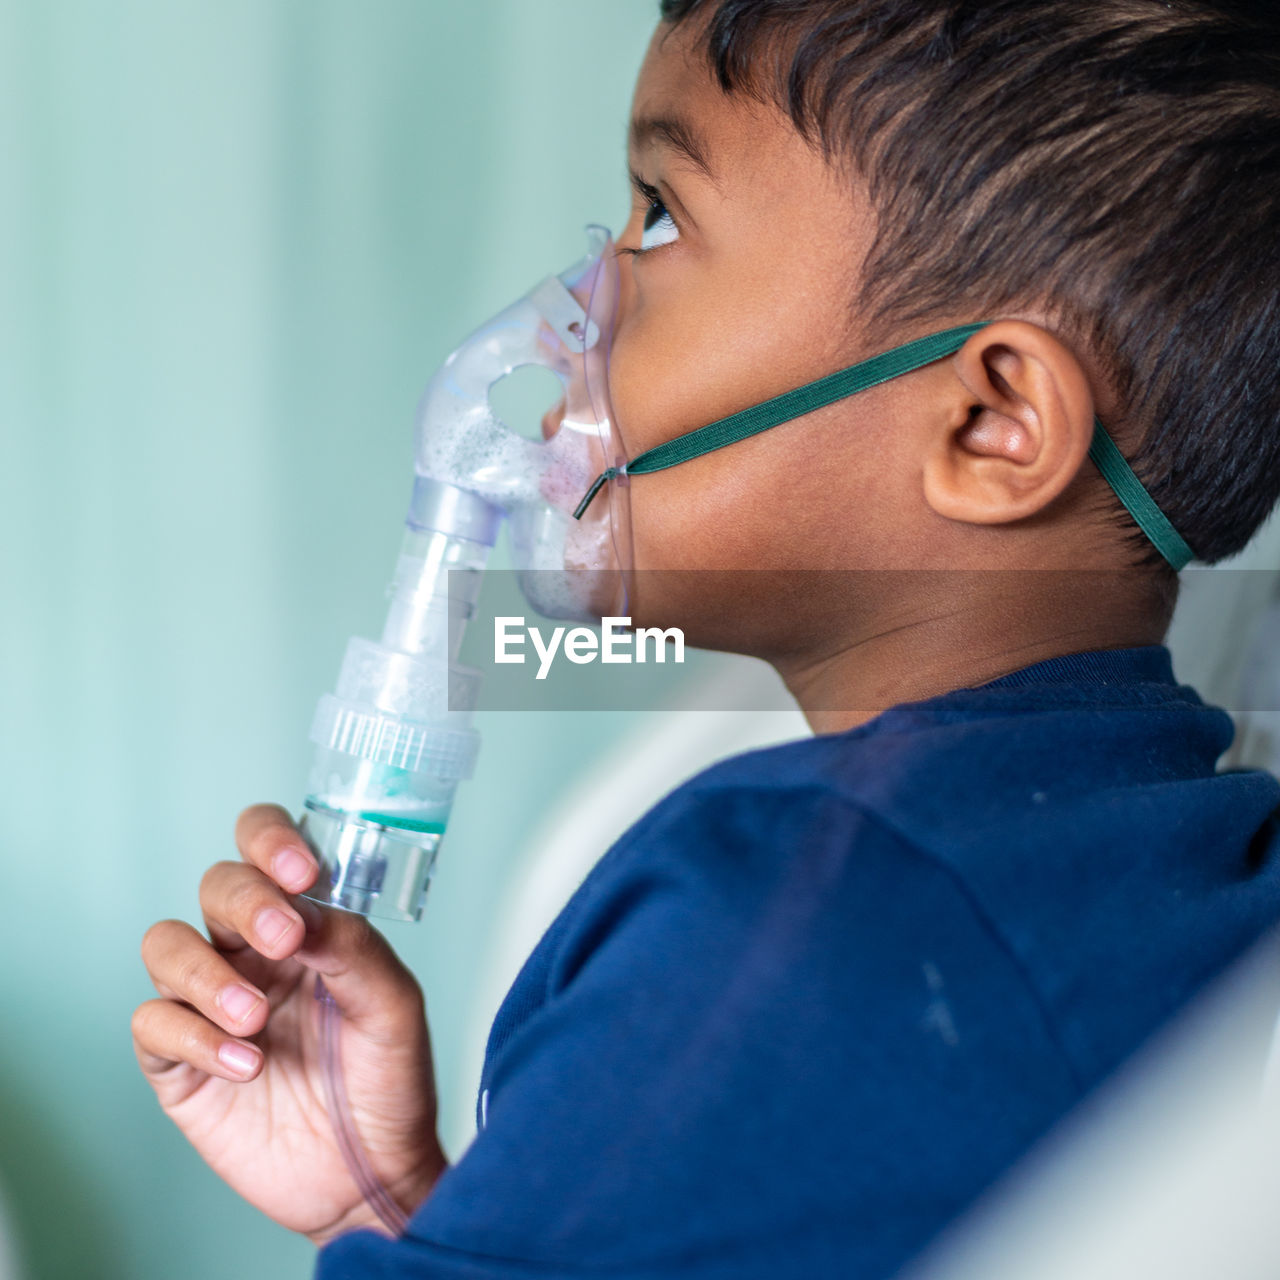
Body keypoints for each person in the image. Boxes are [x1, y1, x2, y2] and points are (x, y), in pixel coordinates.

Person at [131, 3, 1280, 1276]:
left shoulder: (798, 897)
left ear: (988, 423)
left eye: (661, 216)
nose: (575, 304)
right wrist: (402, 1211)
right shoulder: (1171, 873)